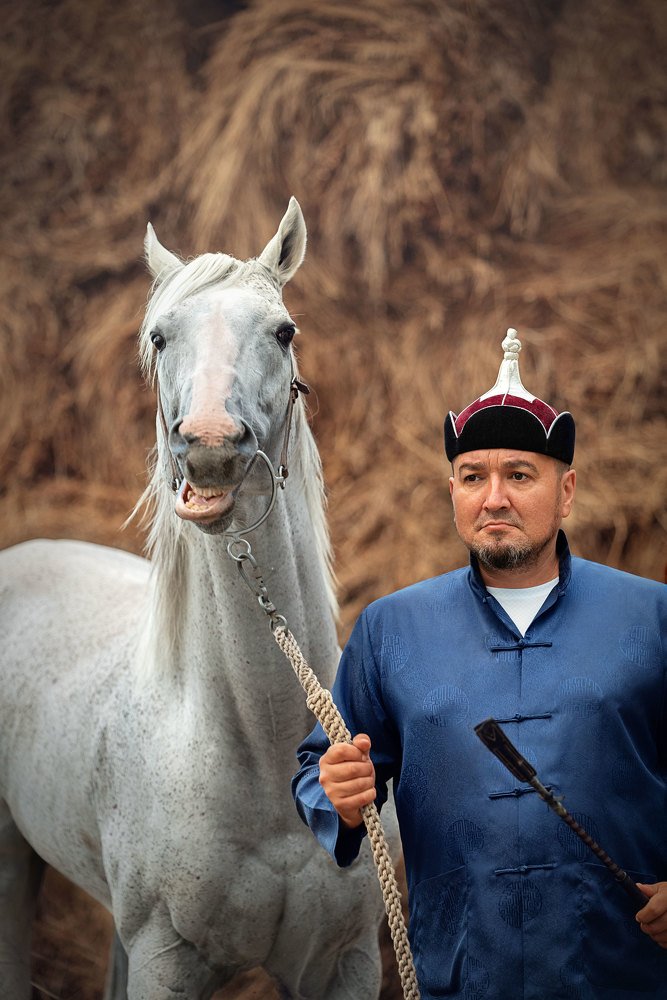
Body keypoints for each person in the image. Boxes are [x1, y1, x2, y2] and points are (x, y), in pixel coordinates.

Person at [292, 328, 667, 1000]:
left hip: (623, 973)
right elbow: (322, 768)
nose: (493, 497)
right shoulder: (390, 630)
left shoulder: (652, 618)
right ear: (453, 491)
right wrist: (339, 798)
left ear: (567, 490)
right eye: (473, 477)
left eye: (518, 475)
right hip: (460, 974)